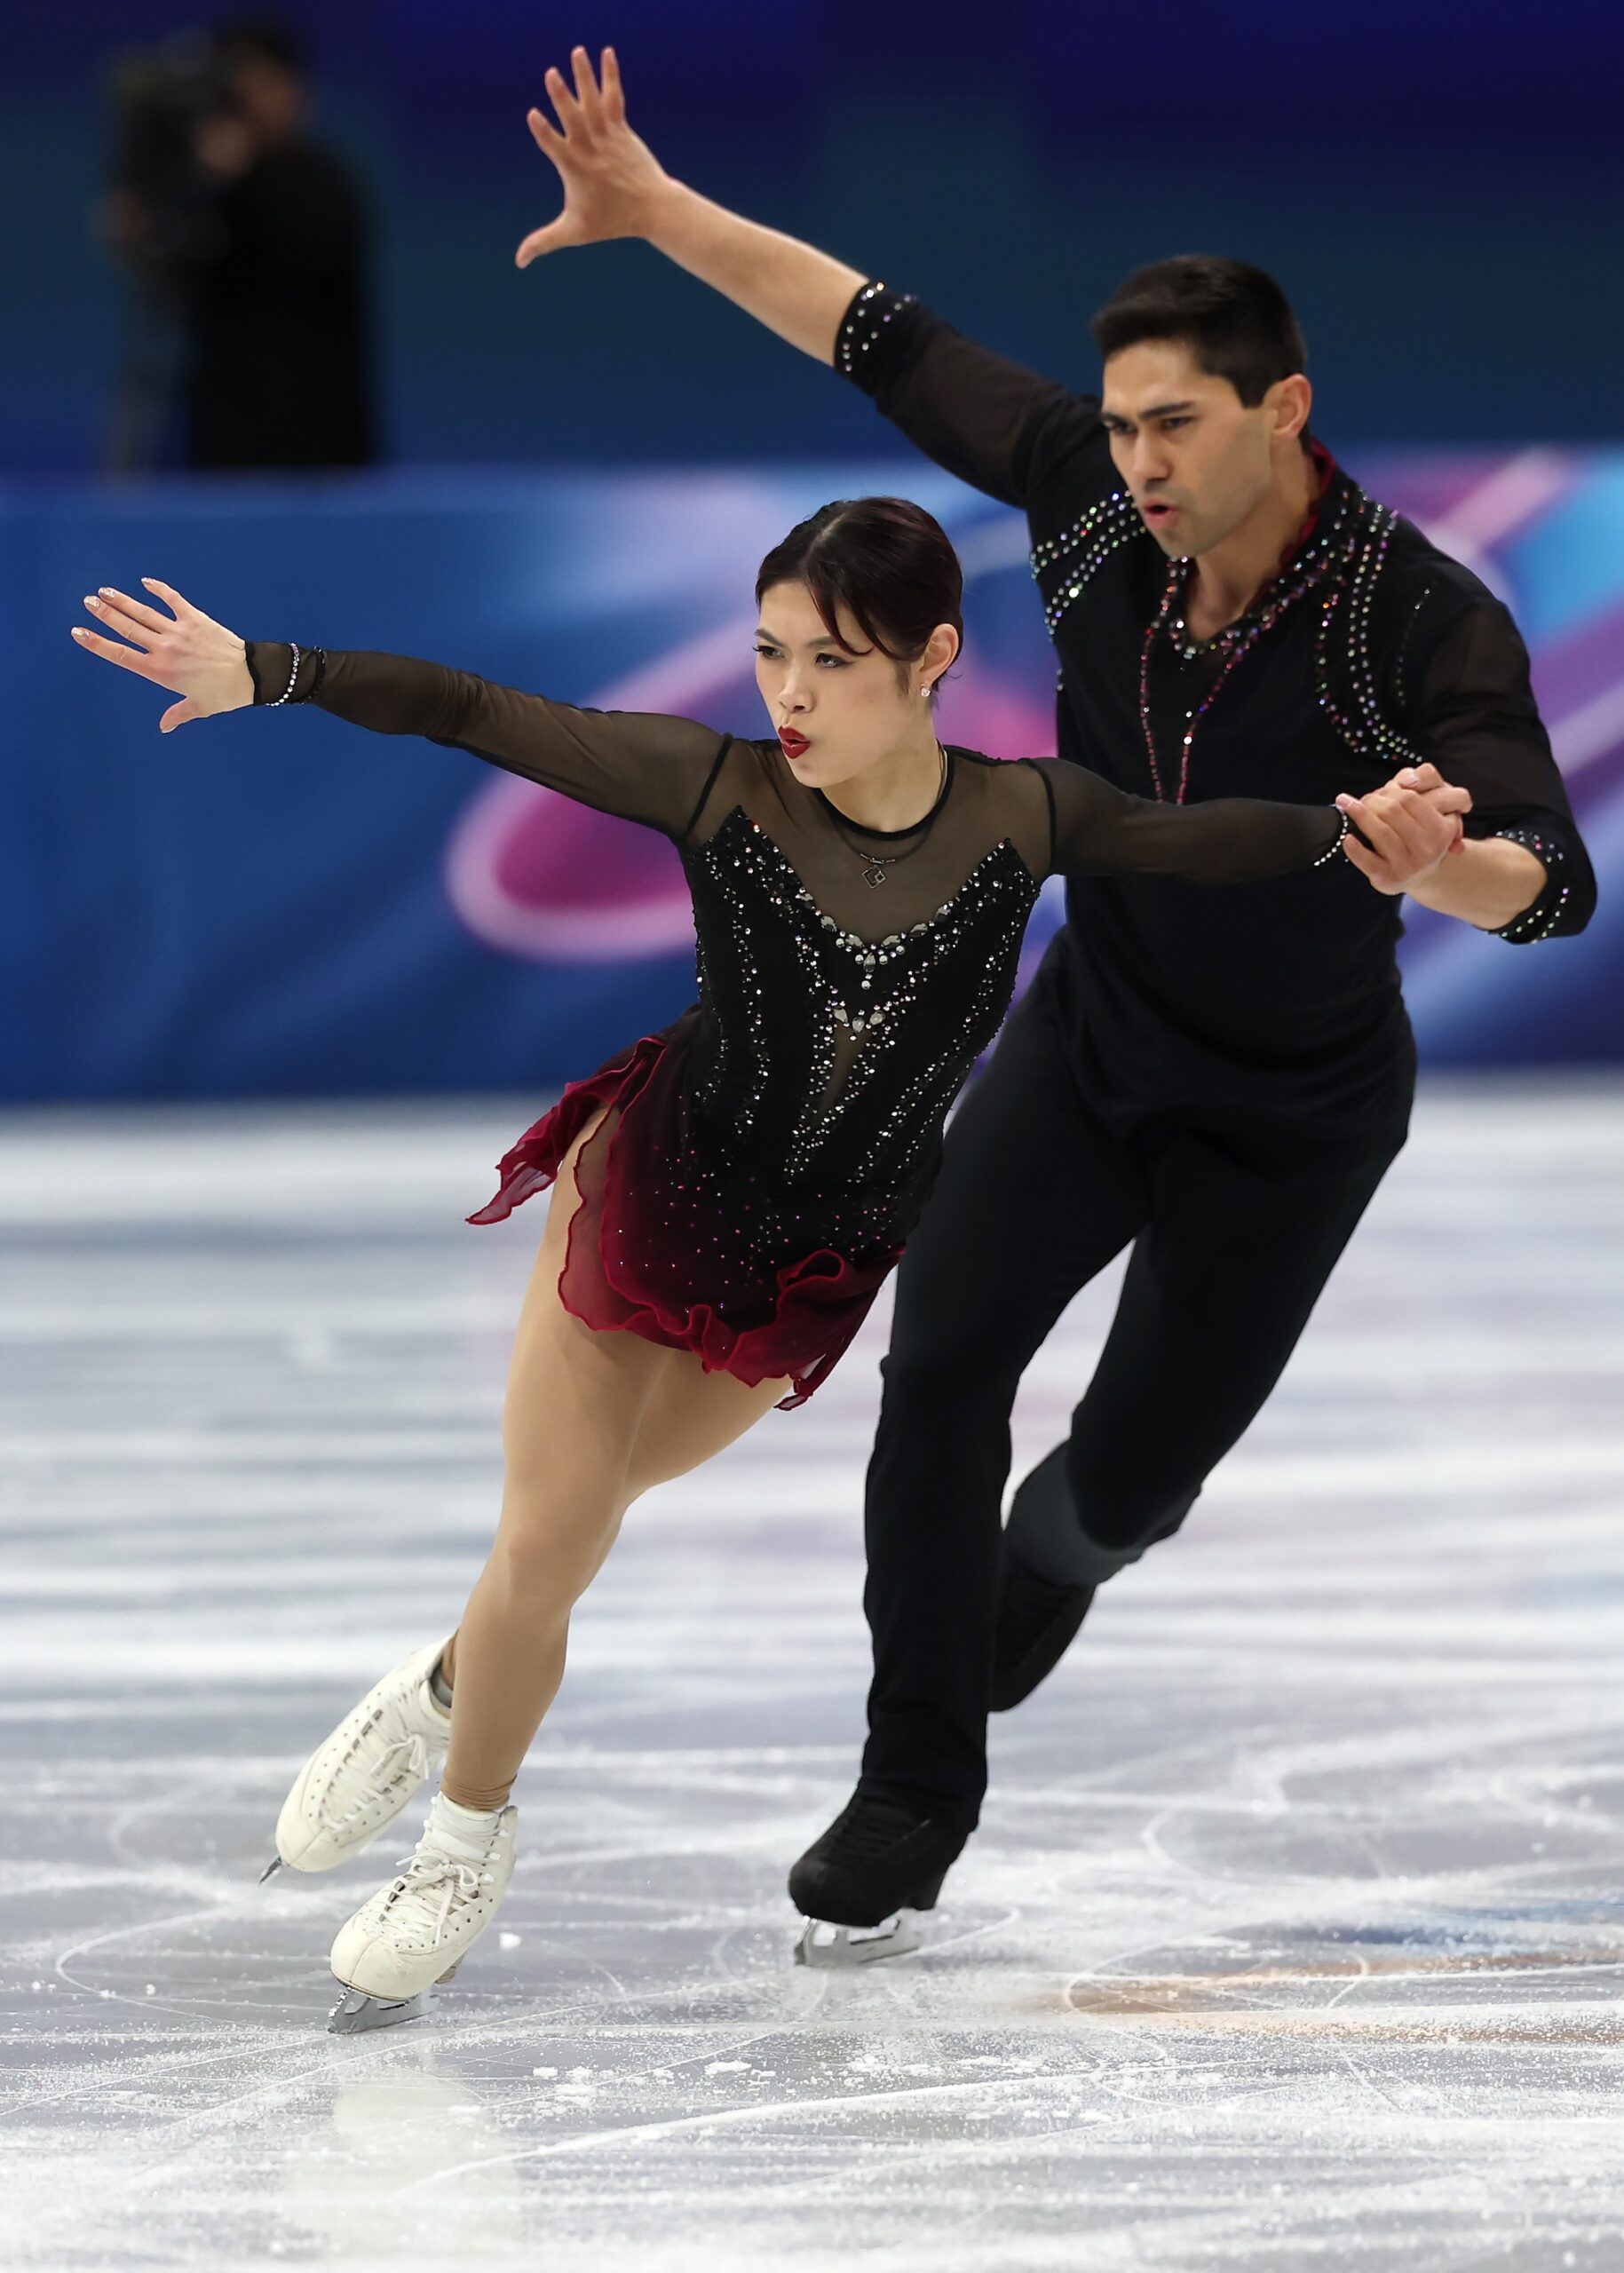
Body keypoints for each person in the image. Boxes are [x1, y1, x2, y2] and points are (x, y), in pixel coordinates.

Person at [69, 497, 1433, 2021]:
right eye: (770, 651)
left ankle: (453, 1677)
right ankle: (465, 1836)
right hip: (655, 1201)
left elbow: (1197, 841)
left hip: (818, 1257)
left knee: (584, 1524)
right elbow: (470, 710)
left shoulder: (1025, 815)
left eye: (829, 661)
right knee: (559, 1530)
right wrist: (274, 667)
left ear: (930, 660)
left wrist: (1354, 837)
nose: (785, 694)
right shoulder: (715, 789)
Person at [507, 49, 1597, 1947]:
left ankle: (1070, 1547)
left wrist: (1449, 864)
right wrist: (660, 207)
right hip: (1094, 1045)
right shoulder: (1090, 513)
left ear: (1288, 412)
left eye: (1179, 426)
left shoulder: (1419, 615)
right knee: (937, 1372)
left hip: (1295, 1116)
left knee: (1124, 1481)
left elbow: (1552, 882)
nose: (1144, 463)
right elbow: (868, 327)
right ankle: (914, 1781)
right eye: (1124, 426)